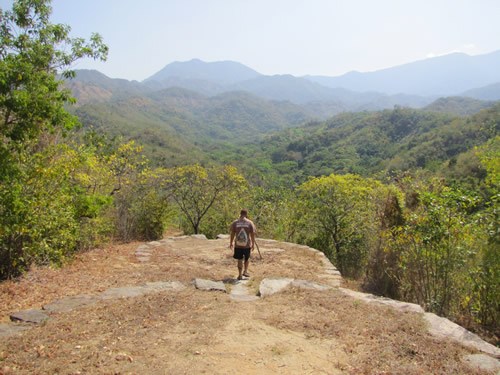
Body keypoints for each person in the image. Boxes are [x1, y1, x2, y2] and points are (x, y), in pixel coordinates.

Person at [229, 209, 256, 280]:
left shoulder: (235, 222)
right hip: (246, 245)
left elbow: (232, 233)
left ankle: (240, 274)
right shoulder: (250, 223)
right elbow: (252, 234)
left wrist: (231, 242)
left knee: (239, 259)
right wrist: (253, 244)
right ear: (246, 214)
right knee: (247, 258)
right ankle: (245, 271)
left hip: (238, 245)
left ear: (240, 214)